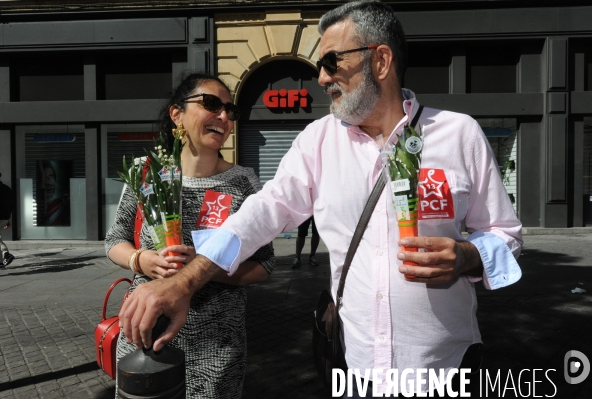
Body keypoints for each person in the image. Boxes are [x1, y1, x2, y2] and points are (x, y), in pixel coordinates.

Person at [119, 1, 522, 397]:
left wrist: (466, 256)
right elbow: (261, 213)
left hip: (447, 369)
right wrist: (185, 283)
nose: (322, 78)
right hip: (355, 370)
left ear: (380, 61)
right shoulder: (318, 140)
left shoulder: (459, 134)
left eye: (332, 62)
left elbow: (507, 235)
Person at [105, 73, 275, 399]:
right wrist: (140, 260)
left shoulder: (243, 182)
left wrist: (201, 269)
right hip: (144, 332)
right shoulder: (146, 172)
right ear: (177, 114)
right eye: (211, 104)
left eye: (230, 110)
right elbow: (114, 240)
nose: (224, 117)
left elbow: (265, 264)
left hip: (217, 346)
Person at [0, 171, 15, 270]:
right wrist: (8, 219)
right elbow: (10, 205)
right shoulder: (7, 188)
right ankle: (4, 255)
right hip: (4, 218)